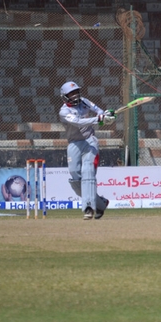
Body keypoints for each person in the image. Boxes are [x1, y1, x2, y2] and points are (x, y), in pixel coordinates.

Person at [58, 81, 115, 220]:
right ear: (65, 96)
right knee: (76, 178)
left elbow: (100, 112)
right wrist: (98, 119)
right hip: (74, 144)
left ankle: (89, 208)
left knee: (87, 171)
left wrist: (106, 116)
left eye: (76, 92)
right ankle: (101, 203)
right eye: (71, 93)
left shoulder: (85, 102)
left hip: (90, 141)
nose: (75, 95)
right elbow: (78, 122)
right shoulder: (64, 111)